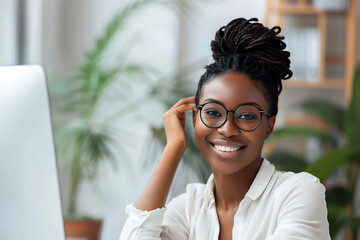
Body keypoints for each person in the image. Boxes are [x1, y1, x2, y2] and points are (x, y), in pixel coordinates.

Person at [119, 18, 330, 240]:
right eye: (212, 112)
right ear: (194, 118)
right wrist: (173, 147)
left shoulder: (297, 194)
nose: (228, 129)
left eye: (247, 116)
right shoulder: (187, 209)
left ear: (269, 126)